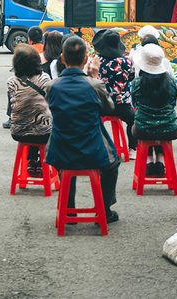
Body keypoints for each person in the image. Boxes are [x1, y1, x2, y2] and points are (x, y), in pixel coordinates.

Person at [46, 35, 120, 222]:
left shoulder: (52, 86)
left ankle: (69, 209)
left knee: (65, 167)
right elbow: (109, 109)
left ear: (62, 58)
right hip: (91, 148)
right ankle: (104, 209)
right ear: (86, 60)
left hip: (60, 148)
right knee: (112, 165)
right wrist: (94, 78)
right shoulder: (94, 84)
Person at [130, 43, 177, 177]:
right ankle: (160, 160)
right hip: (170, 129)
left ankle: (149, 161)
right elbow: (173, 103)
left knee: (146, 124)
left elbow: (135, 104)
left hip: (142, 129)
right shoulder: (170, 82)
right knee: (158, 125)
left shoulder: (136, 83)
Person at [7, 44, 54, 176]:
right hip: (44, 132)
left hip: (18, 131)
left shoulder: (11, 82)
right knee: (42, 121)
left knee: (32, 120)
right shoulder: (45, 78)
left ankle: (32, 160)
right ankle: (42, 163)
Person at [91, 29, 136, 149]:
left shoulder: (95, 60)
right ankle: (132, 148)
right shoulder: (127, 61)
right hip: (122, 106)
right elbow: (131, 78)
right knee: (134, 120)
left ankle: (97, 146)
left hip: (99, 106)